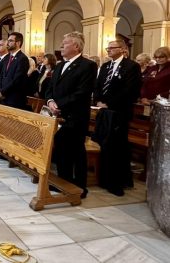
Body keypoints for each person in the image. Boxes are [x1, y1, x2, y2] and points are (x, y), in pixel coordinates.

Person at [46, 31, 97, 199]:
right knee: (61, 148)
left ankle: (80, 186)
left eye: (65, 42)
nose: (61, 45)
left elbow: (82, 92)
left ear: (76, 46)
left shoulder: (87, 65)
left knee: (76, 151)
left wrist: (59, 104)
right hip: (58, 115)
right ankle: (64, 182)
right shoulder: (60, 65)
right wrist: (51, 101)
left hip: (75, 116)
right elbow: (51, 88)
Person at [93, 39, 141, 196]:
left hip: (119, 112)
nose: (109, 50)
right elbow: (99, 85)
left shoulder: (131, 66)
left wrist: (109, 104)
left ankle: (116, 182)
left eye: (112, 48)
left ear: (123, 49)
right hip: (104, 112)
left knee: (117, 147)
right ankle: (104, 178)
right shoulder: (106, 66)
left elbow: (130, 91)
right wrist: (99, 101)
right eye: (108, 48)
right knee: (104, 144)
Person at [0, 32, 30, 109]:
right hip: (3, 98)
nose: (8, 43)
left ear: (18, 43)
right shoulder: (7, 57)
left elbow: (17, 80)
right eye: (8, 40)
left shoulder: (22, 59)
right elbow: (1, 76)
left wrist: (2, 91)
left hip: (14, 99)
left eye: (10, 41)